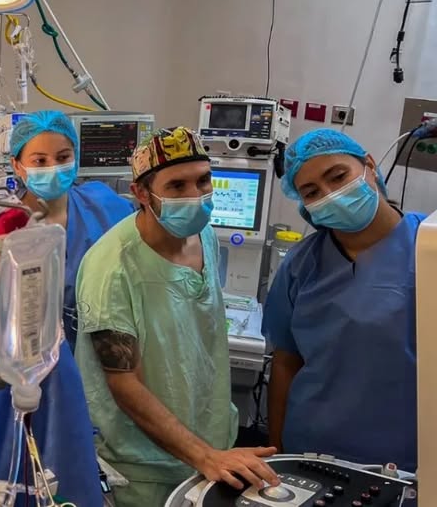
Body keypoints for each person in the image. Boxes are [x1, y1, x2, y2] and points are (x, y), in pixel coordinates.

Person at [75, 127, 278, 507]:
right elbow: (124, 384)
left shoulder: (204, 236)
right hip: (143, 467)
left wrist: (212, 452)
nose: (195, 196)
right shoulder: (113, 268)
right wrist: (204, 456)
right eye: (177, 186)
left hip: (210, 445)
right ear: (141, 193)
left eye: (203, 181)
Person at [264, 129, 419, 471]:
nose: (330, 194)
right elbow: (285, 362)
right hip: (310, 451)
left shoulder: (427, 249)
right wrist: (279, 454)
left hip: (405, 461)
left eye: (338, 176)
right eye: (311, 192)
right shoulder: (301, 265)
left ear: (369, 166)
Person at [0, 110, 135, 350]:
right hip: (28, 357)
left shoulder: (106, 206)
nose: (53, 167)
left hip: (103, 352)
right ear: (17, 166)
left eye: (63, 157)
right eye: (40, 161)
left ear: (75, 157)